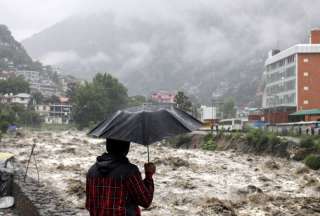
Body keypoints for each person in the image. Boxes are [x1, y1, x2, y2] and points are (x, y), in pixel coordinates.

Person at [86, 139, 156, 216]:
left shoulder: (91, 171)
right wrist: (149, 176)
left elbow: (89, 205)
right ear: (126, 148)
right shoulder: (130, 171)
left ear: (107, 146)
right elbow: (145, 201)